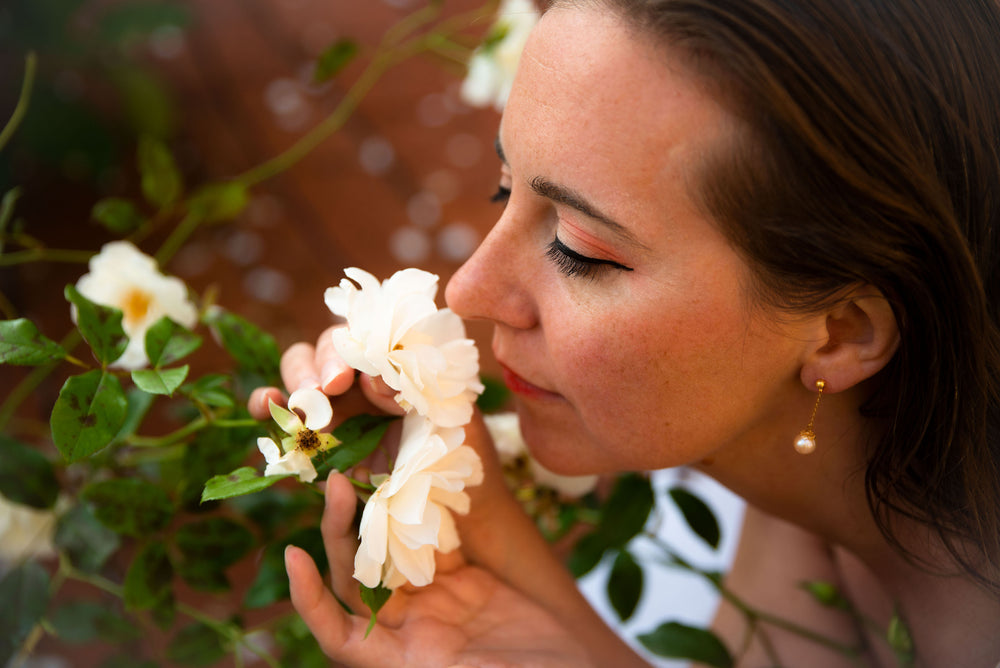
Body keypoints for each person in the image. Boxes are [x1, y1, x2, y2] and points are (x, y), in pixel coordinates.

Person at [249, 0, 1000, 665]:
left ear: (839, 333)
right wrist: (491, 547)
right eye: (502, 187)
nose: (469, 290)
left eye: (580, 250)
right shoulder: (815, 475)